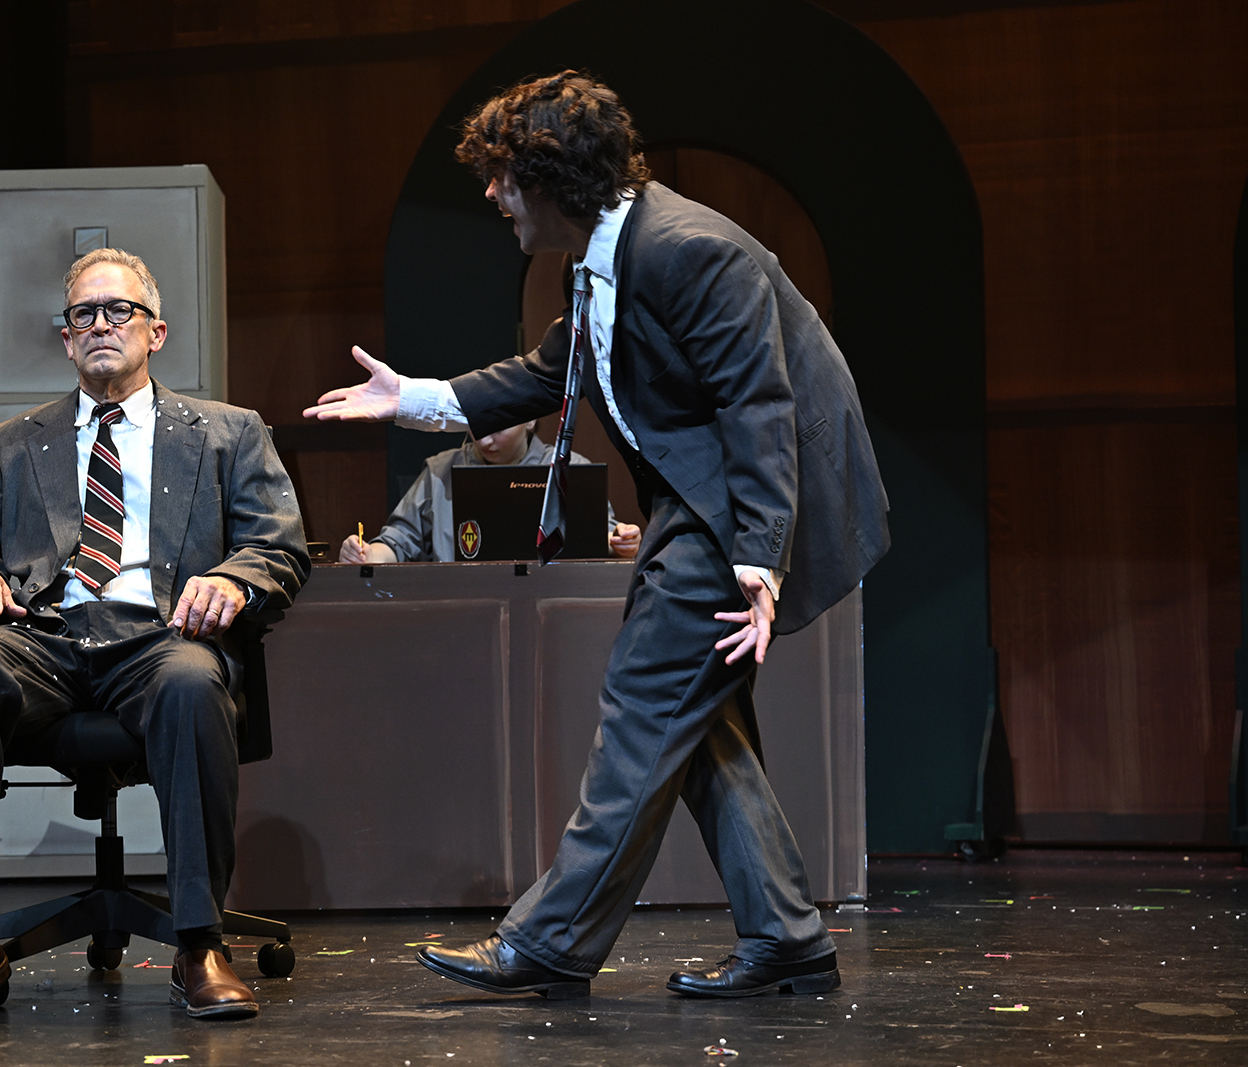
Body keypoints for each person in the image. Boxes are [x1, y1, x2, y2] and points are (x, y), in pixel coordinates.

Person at [305, 72, 889, 1000]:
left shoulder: (688, 249)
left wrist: (758, 558)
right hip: (700, 506)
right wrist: (411, 397)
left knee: (644, 708)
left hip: (732, 510)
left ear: (552, 179)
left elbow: (759, 403)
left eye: (503, 177)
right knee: (700, 726)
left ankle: (550, 940)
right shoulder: (605, 255)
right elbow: (549, 373)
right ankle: (787, 935)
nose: (492, 195)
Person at [0, 248, 308, 1025]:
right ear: (66, 339)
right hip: (44, 637)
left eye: (119, 310)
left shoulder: (229, 433)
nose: (100, 325)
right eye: (83, 314)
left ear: (156, 331)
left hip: (160, 634)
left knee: (191, 680)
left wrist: (233, 580)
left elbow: (279, 546)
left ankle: (198, 941)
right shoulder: (12, 442)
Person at [338, 419, 640, 563]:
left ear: (531, 420)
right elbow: (399, 542)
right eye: (476, 425)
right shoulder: (440, 471)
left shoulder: (569, 469)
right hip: (461, 611)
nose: (484, 441)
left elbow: (604, 538)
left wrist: (622, 541)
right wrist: (367, 554)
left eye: (498, 428)